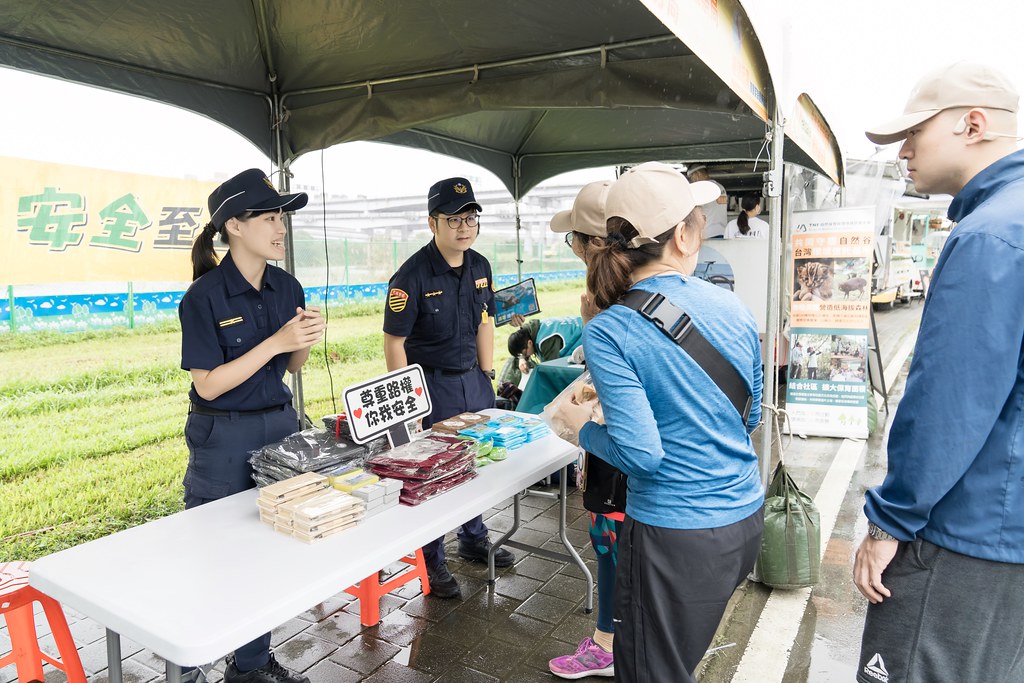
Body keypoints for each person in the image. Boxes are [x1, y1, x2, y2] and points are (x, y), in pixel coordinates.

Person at [555, 162, 764, 682]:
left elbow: (644, 455)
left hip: (674, 535)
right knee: (677, 660)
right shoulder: (731, 306)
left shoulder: (610, 329)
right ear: (685, 236)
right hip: (743, 519)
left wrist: (580, 427)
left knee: (652, 670)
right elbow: (751, 414)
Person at [853, 62, 1024, 683]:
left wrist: (888, 520)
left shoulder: (991, 235)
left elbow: (949, 405)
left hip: (967, 533)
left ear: (972, 124)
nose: (903, 152)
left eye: (914, 134)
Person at [179, 168, 324, 683]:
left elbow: (291, 367)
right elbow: (209, 385)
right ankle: (191, 658)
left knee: (268, 548)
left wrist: (304, 337)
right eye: (267, 216)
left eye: (280, 216)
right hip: (224, 434)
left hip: (279, 428)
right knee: (220, 552)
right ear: (234, 227)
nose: (279, 226)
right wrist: (279, 341)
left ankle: (251, 664)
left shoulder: (288, 285)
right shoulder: (204, 296)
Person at [382, 176, 514, 599]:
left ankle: (473, 537)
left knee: (475, 461)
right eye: (453, 219)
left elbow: (485, 321)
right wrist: (409, 403)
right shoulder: (411, 276)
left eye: (471, 217)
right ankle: (433, 560)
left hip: (472, 382)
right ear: (432, 223)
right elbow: (394, 342)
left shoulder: (480, 265)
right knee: (434, 475)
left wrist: (489, 374)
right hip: (431, 388)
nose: (464, 226)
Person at [542, 180, 621, 679]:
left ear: (592, 243)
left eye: (574, 238)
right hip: (628, 446)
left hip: (617, 447)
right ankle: (616, 637)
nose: (571, 248)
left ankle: (608, 643)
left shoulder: (607, 299)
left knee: (610, 539)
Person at [504, 315, 584, 377]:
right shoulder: (531, 330)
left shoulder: (546, 341)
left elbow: (551, 371)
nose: (527, 356)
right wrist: (522, 359)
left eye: (525, 353)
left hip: (586, 337)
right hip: (582, 323)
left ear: (530, 343)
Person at [686, 165, 728, 239]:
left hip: (708, 234)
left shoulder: (703, 188)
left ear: (698, 174)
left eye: (691, 177)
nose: (691, 181)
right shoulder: (720, 187)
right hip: (722, 232)